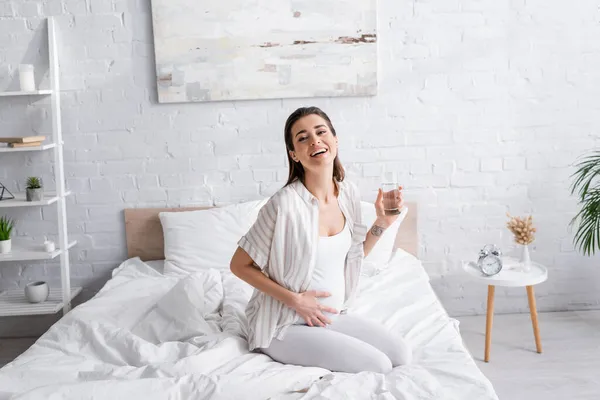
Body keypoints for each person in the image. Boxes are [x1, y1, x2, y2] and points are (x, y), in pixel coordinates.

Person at [230, 106, 411, 374]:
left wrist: (382, 223)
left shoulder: (346, 192)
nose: (314, 140)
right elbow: (239, 265)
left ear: (335, 140)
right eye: (302, 138)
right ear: (294, 154)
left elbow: (353, 255)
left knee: (400, 354)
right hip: (284, 323)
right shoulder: (283, 204)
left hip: (327, 315)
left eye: (320, 131)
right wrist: (295, 300)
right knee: (379, 365)